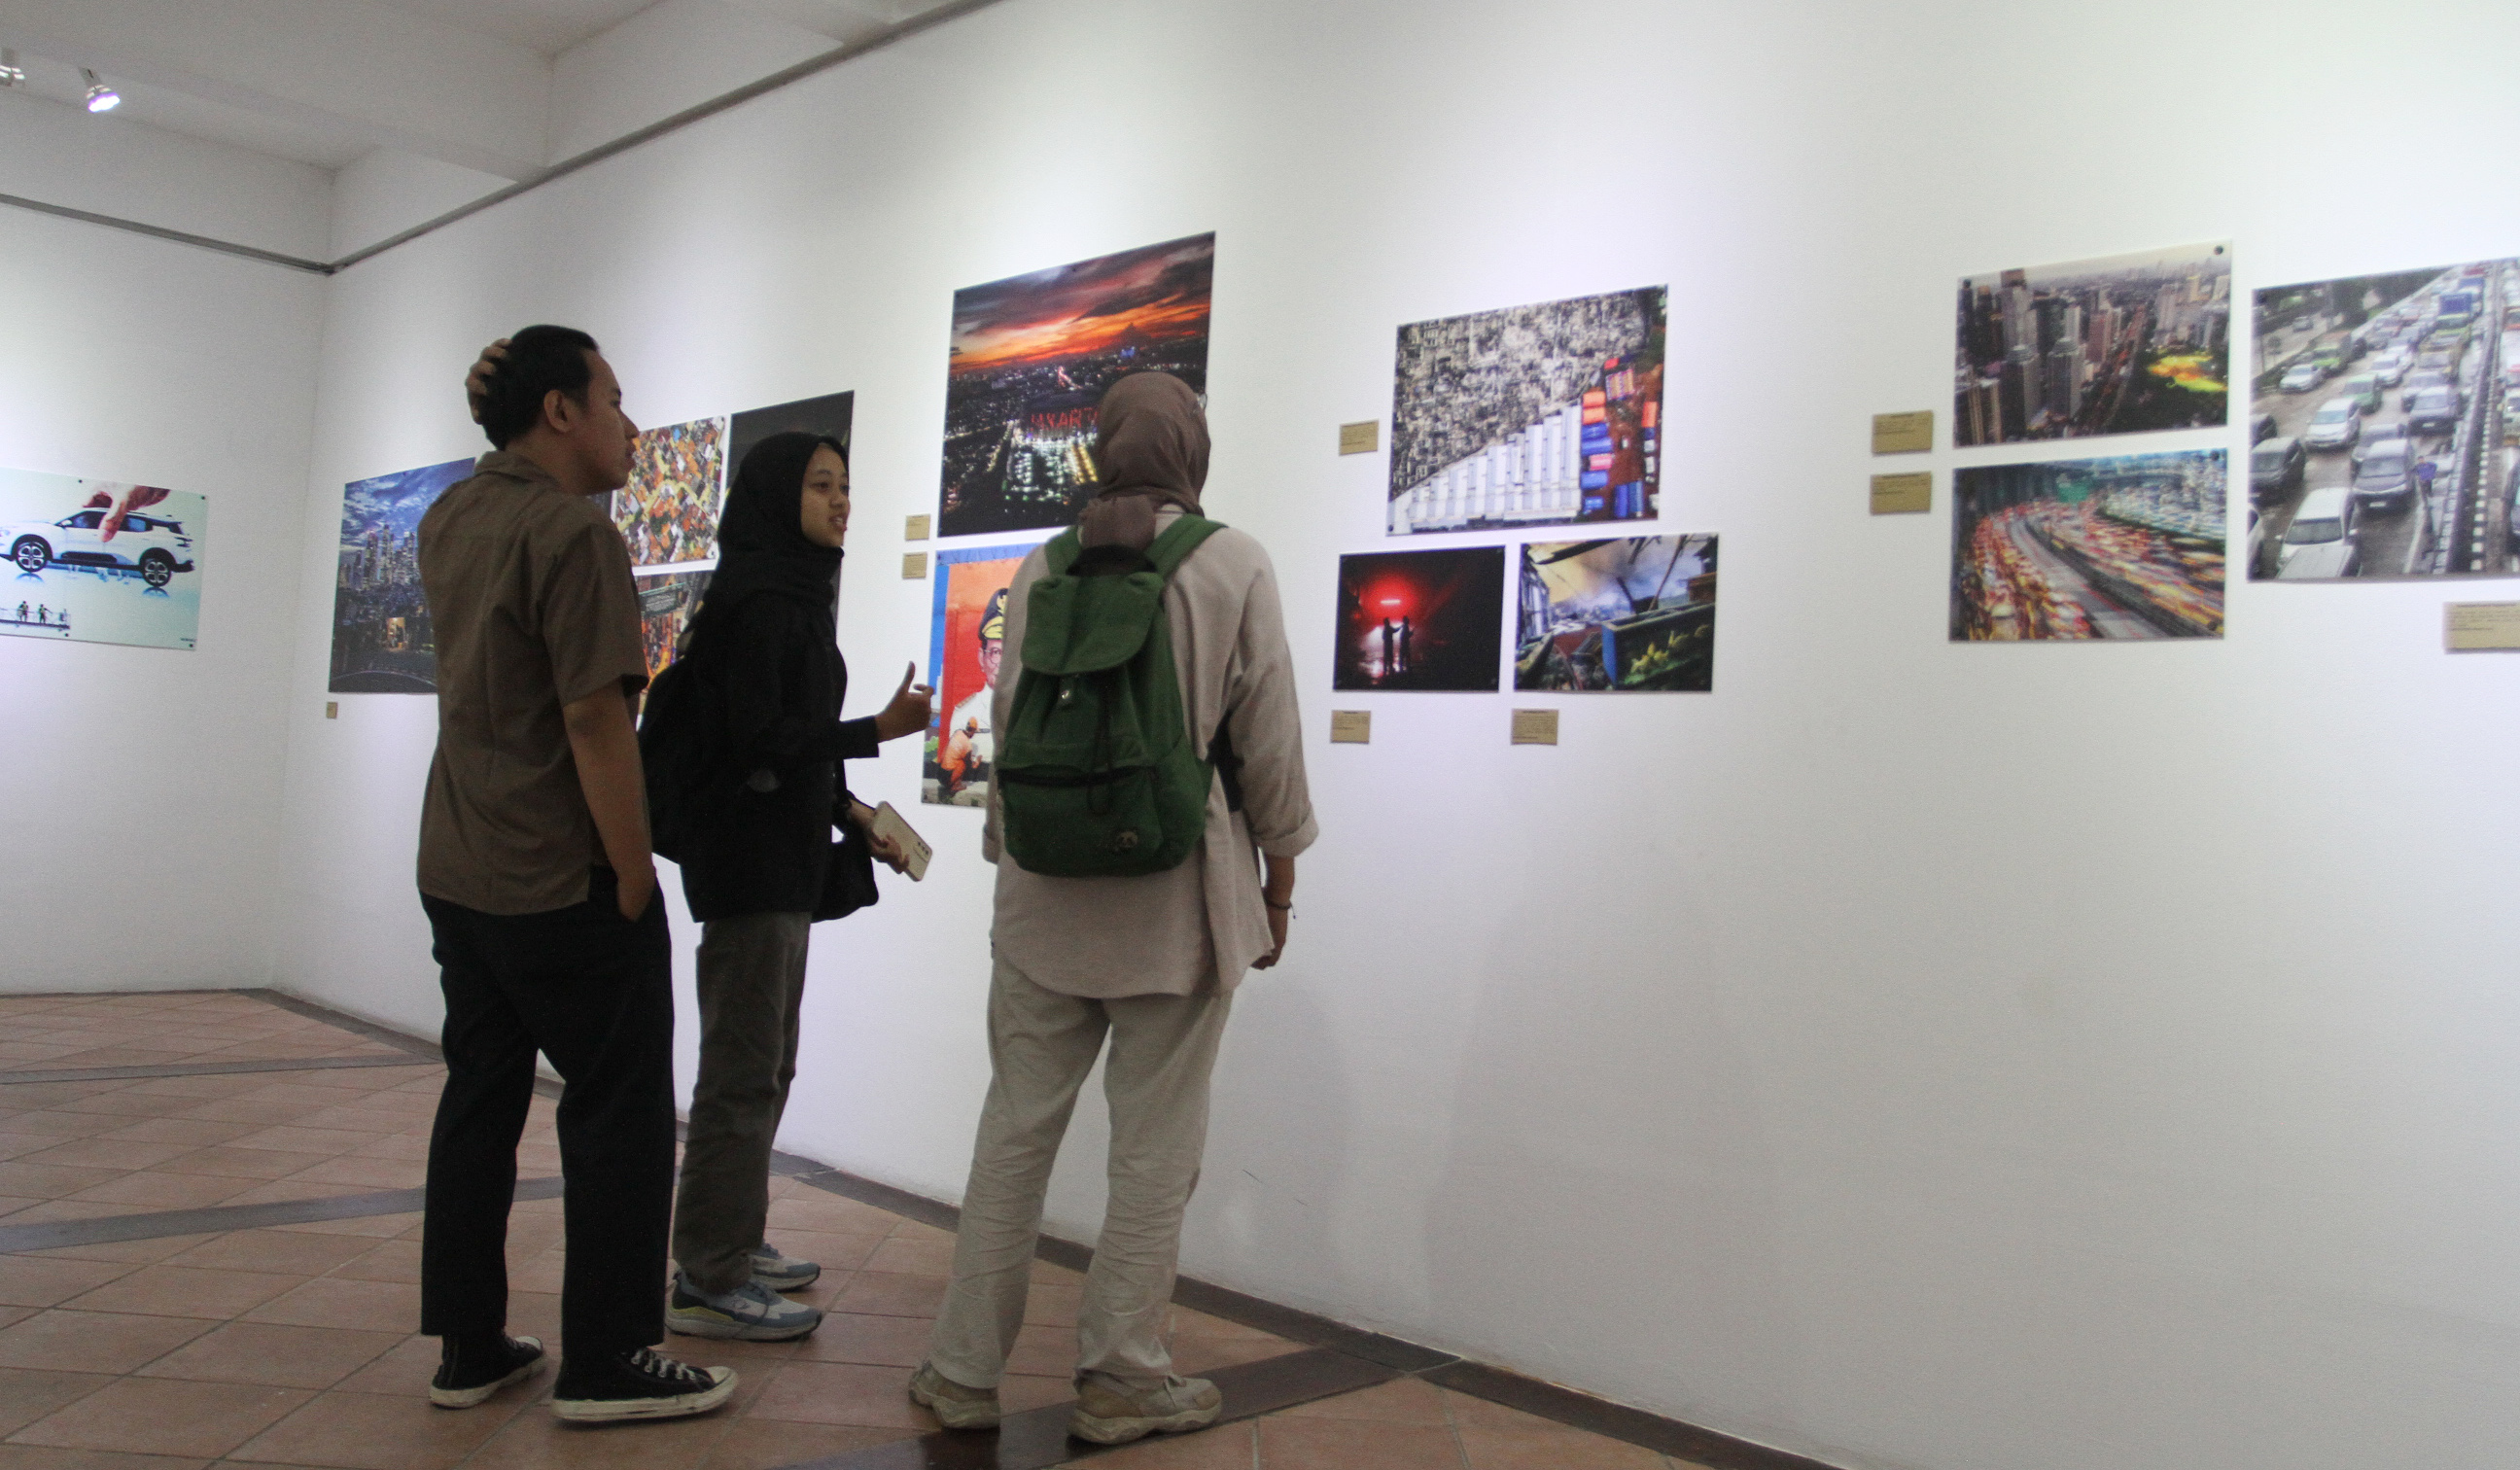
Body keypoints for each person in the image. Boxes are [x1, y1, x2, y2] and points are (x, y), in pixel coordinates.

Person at [908, 372, 1316, 1447]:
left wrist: (1010, 861)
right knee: (1153, 1154)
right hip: (1173, 901)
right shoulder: (1233, 562)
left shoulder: (1044, 565)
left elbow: (1006, 722)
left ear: (1100, 450)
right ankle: (1125, 1378)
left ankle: (959, 1371)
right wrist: (1279, 876)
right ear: (1192, 450)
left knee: (1013, 1134)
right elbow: (1267, 740)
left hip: (1044, 905)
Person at [419, 326, 733, 1423]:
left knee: (480, 1099)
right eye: (613, 395)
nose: (631, 424)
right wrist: (634, 872)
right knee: (620, 1113)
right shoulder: (575, 538)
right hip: (558, 873)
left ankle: (468, 1346)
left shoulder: (454, 513)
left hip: (458, 862)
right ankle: (606, 1358)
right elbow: (596, 715)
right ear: (559, 411)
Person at [655, 430, 933, 1341]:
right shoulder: (764, 605)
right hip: (746, 870)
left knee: (765, 1065)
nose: (841, 500)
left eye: (846, 484)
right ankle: (708, 1274)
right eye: (821, 486)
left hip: (777, 864)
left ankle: (735, 1239)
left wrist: (858, 819)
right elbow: (758, 741)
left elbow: (787, 739)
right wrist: (876, 728)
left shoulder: (787, 597)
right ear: (781, 498)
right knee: (741, 1074)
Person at [939, 588, 1004, 797]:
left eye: (1010, 652)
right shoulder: (964, 715)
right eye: (995, 652)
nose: (1002, 662)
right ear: (981, 658)